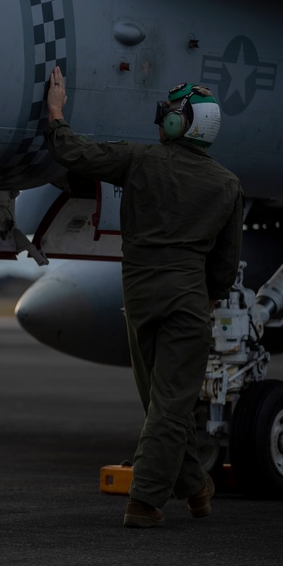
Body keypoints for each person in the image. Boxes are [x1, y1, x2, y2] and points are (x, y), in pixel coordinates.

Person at [43, 66, 243, 528]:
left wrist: (56, 113)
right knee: (171, 404)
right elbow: (225, 265)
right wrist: (209, 300)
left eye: (167, 114)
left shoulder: (139, 160)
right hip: (188, 301)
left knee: (162, 402)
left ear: (183, 123)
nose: (161, 121)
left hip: (139, 296)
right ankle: (182, 489)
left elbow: (75, 154)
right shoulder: (227, 185)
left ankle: (151, 498)